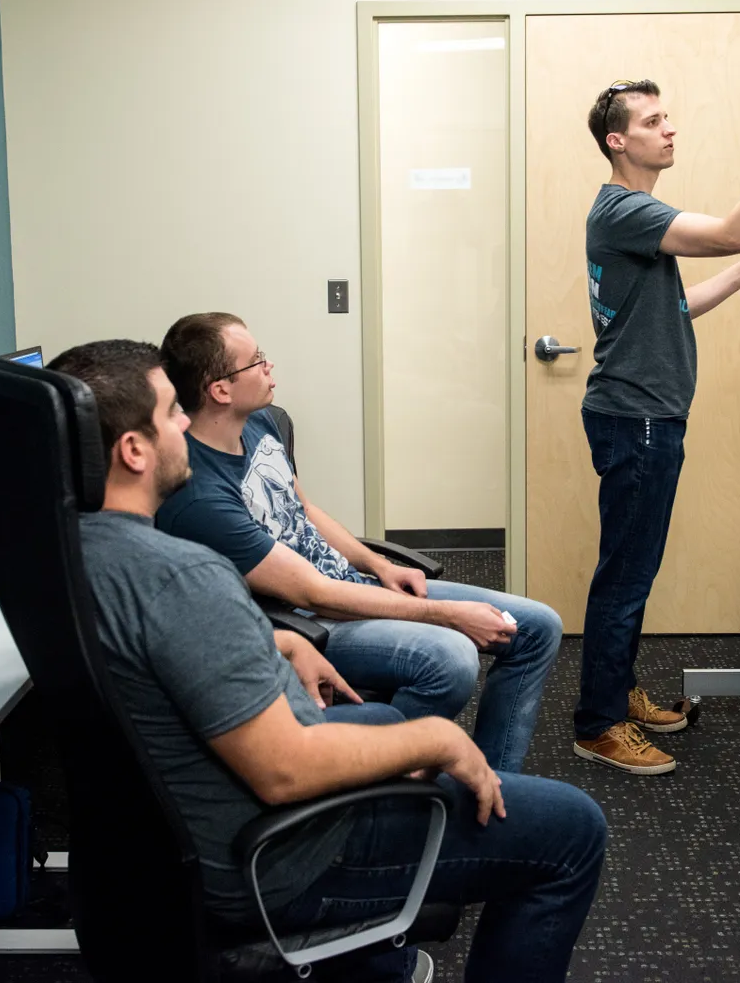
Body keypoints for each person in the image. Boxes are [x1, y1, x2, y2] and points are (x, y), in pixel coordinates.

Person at [48, 339, 606, 983]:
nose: (185, 425)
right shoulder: (180, 574)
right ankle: (360, 922)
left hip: (160, 848)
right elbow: (284, 772)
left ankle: (367, 958)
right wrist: (439, 736)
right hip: (274, 858)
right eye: (173, 411)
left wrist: (273, 640)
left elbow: (150, 654)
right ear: (133, 450)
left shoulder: (62, 548)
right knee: (573, 831)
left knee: (383, 728)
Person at [154, 313, 562, 774]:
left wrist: (377, 564)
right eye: (257, 361)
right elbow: (314, 594)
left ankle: (496, 783)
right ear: (220, 390)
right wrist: (447, 615)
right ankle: (362, 781)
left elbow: (302, 507)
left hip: (344, 584)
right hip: (306, 619)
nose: (269, 367)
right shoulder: (200, 496)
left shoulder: (259, 423)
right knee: (451, 657)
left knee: (537, 627)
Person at [573, 77, 740, 774]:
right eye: (653, 121)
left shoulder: (633, 215)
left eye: (667, 116)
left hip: (641, 417)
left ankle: (615, 693)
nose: (669, 128)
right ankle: (597, 724)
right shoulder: (623, 210)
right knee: (625, 576)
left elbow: (670, 312)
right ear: (618, 141)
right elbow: (736, 227)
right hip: (637, 421)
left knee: (631, 571)